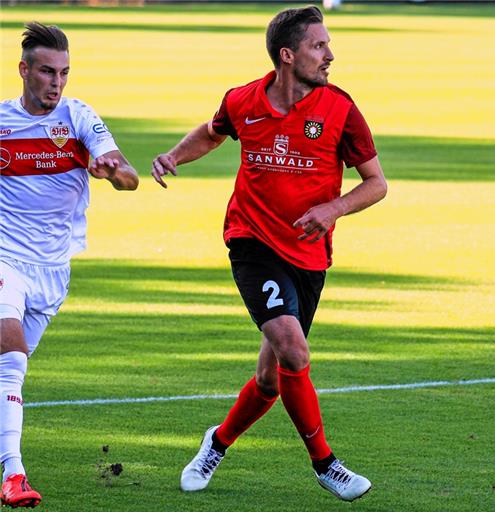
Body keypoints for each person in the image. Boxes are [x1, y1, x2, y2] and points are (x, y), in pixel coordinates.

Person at [151, 6, 386, 502]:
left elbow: (376, 184)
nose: (330, 55)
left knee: (271, 377)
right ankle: (326, 465)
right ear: (288, 54)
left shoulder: (341, 109)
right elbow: (212, 132)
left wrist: (333, 209)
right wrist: (174, 155)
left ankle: (215, 443)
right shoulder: (243, 100)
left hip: (308, 256)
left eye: (327, 45)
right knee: (294, 349)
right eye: (318, 46)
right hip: (252, 241)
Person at [0, 22, 139, 508]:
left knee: (7, 373)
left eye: (63, 72)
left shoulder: (78, 117)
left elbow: (129, 176)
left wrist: (112, 170)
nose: (56, 82)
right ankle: (13, 475)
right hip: (5, 259)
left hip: (54, 270)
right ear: (24, 70)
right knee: (10, 358)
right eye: (46, 71)